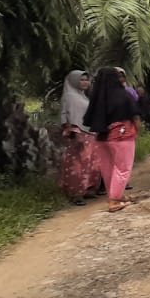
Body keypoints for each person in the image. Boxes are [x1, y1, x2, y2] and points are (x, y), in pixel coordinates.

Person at [85, 67, 141, 212]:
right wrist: (137, 130)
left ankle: (116, 195)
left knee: (108, 168)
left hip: (102, 137)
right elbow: (135, 116)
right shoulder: (124, 95)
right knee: (123, 168)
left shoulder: (96, 98)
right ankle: (114, 200)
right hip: (122, 135)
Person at [58, 70, 98, 205]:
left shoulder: (82, 96)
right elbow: (65, 115)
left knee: (89, 162)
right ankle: (76, 193)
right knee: (77, 164)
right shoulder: (70, 96)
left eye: (86, 79)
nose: (85, 82)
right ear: (74, 81)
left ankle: (86, 189)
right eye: (81, 79)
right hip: (78, 134)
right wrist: (73, 131)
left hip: (89, 133)